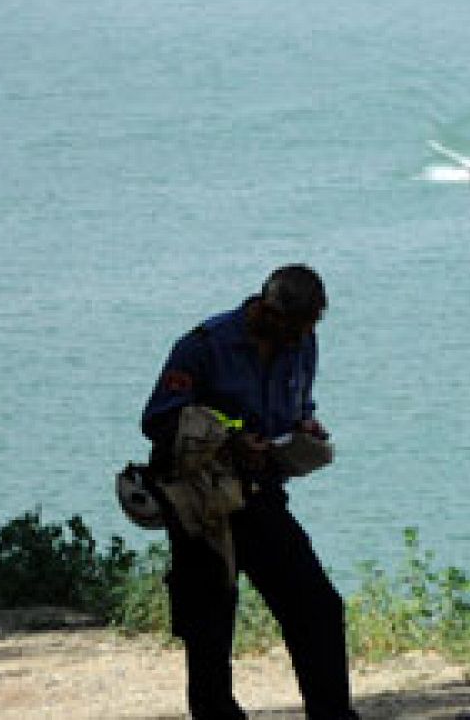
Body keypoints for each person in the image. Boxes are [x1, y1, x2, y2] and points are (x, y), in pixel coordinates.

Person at [140, 264, 359, 720]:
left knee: (316, 606)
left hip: (260, 497)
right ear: (266, 310)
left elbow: (298, 403)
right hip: (202, 504)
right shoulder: (203, 347)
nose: (298, 340)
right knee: (209, 626)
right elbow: (158, 421)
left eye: (309, 328)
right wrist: (230, 439)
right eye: (292, 328)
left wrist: (304, 427)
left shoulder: (302, 342)